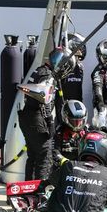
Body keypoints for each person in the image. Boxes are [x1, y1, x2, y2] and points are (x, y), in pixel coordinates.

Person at [19, 47, 76, 181]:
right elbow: (43, 100)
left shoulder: (41, 70)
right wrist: (50, 122)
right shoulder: (47, 75)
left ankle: (29, 190)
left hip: (28, 117)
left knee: (33, 156)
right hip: (36, 118)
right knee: (45, 156)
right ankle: (40, 193)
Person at [55, 33, 86, 123]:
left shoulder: (80, 67)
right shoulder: (63, 66)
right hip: (64, 107)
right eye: (80, 46)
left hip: (77, 108)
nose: (82, 49)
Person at [53, 99, 87, 164]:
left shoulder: (87, 131)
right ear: (66, 119)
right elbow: (54, 151)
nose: (77, 125)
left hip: (83, 165)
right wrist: (65, 161)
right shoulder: (59, 132)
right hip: (65, 166)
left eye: (80, 121)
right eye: (74, 121)